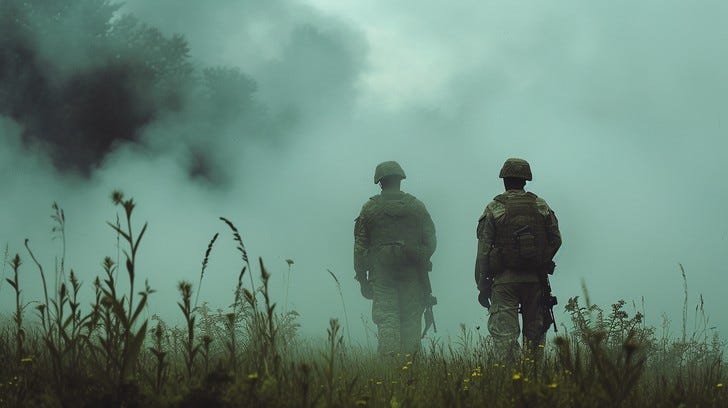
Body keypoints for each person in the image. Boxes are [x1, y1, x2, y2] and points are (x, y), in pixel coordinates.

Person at [475, 158, 562, 362]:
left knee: (505, 338)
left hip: (504, 281)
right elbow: (556, 240)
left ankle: (509, 382)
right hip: (535, 281)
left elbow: (483, 250)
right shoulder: (540, 205)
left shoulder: (494, 207)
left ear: (504, 180)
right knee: (535, 336)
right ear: (526, 180)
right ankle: (533, 380)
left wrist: (482, 283)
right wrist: (541, 260)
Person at [354, 161, 437, 356]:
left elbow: (359, 247)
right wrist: (419, 257)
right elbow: (431, 240)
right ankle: (412, 370)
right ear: (400, 180)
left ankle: (390, 370)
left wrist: (361, 278)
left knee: (387, 321)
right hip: (412, 276)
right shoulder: (416, 207)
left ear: (380, 182)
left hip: (382, 277)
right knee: (411, 323)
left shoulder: (370, 209)